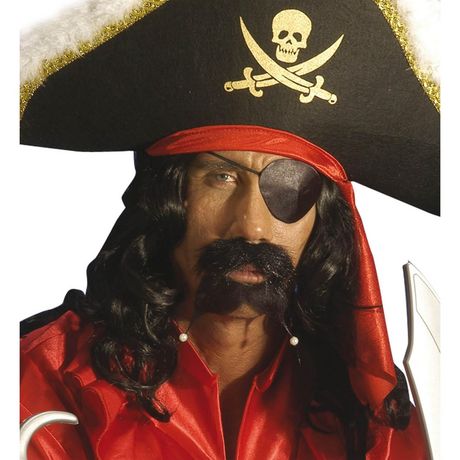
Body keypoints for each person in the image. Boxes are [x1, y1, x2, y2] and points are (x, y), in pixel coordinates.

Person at [20, 0, 439, 458]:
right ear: (169, 198)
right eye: (221, 177)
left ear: (321, 221)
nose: (252, 225)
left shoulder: (375, 424)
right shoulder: (39, 384)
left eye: (289, 188)